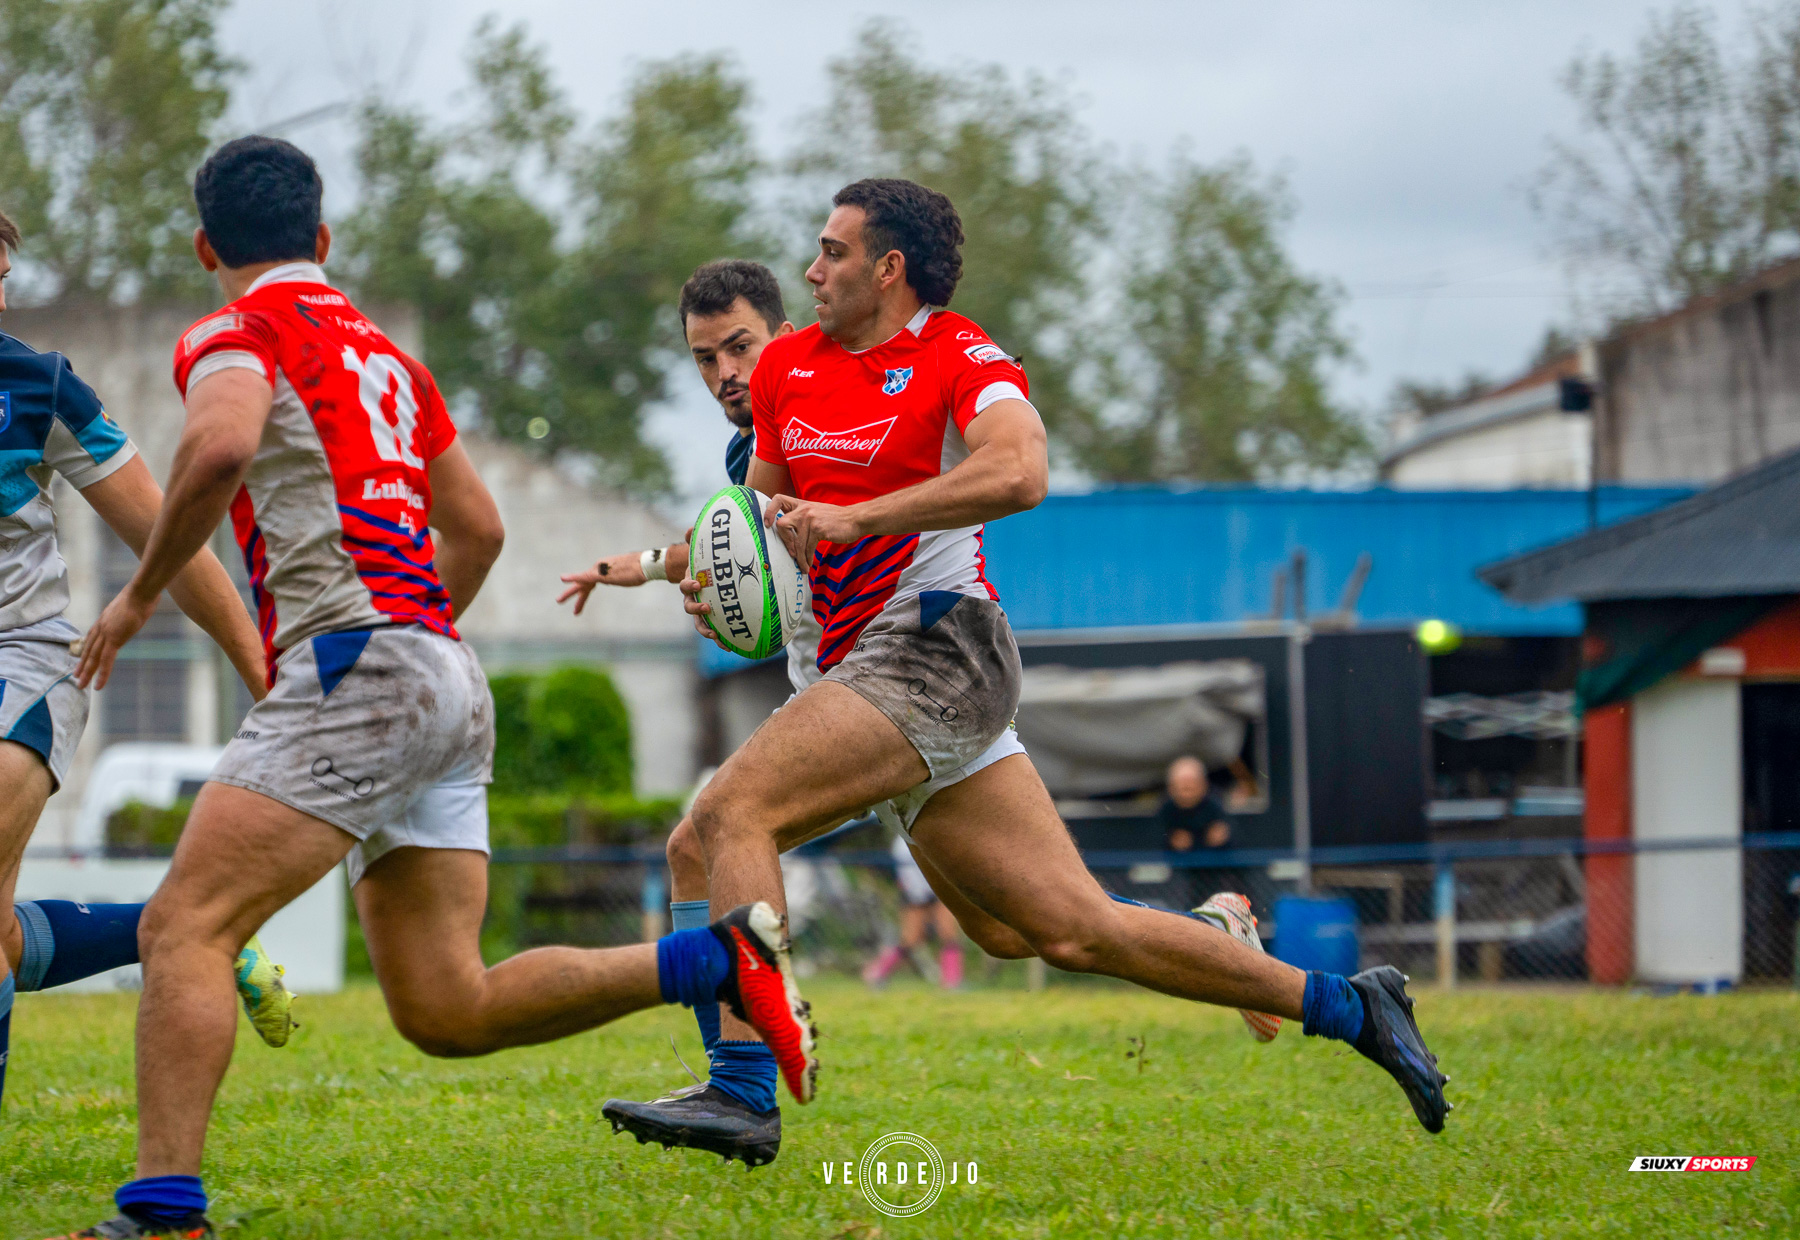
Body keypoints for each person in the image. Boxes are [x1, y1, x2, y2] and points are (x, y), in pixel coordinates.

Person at [45, 137, 813, 1240]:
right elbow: (481, 527)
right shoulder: (390, 362)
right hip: (444, 672)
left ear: (207, 245)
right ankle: (717, 954)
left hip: (358, 665)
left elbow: (215, 452)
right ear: (322, 240)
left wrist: (135, 599)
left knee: (185, 926)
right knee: (448, 1006)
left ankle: (163, 1213)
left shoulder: (236, 329)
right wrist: (415, 643)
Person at [673, 177, 1450, 1142]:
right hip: (858, 671)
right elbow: (775, 531)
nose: (810, 268)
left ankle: (741, 1086)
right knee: (1051, 930)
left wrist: (862, 516)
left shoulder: (959, 353)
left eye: (830, 252)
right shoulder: (791, 370)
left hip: (939, 645)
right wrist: (727, 593)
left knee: (724, 817)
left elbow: (1021, 471)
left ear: (889, 268)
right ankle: (1352, 1005)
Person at [0, 207, 296, 1123]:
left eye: (1, 275)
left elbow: (172, 539)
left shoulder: (40, 387)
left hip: (26, 661)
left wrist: (266, 680)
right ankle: (185, 928)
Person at [862, 833, 964, 989]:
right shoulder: (902, 843)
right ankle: (877, 973)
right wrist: (920, 898)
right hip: (916, 894)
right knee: (911, 939)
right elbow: (908, 875)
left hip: (939, 889)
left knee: (948, 933)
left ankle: (952, 982)